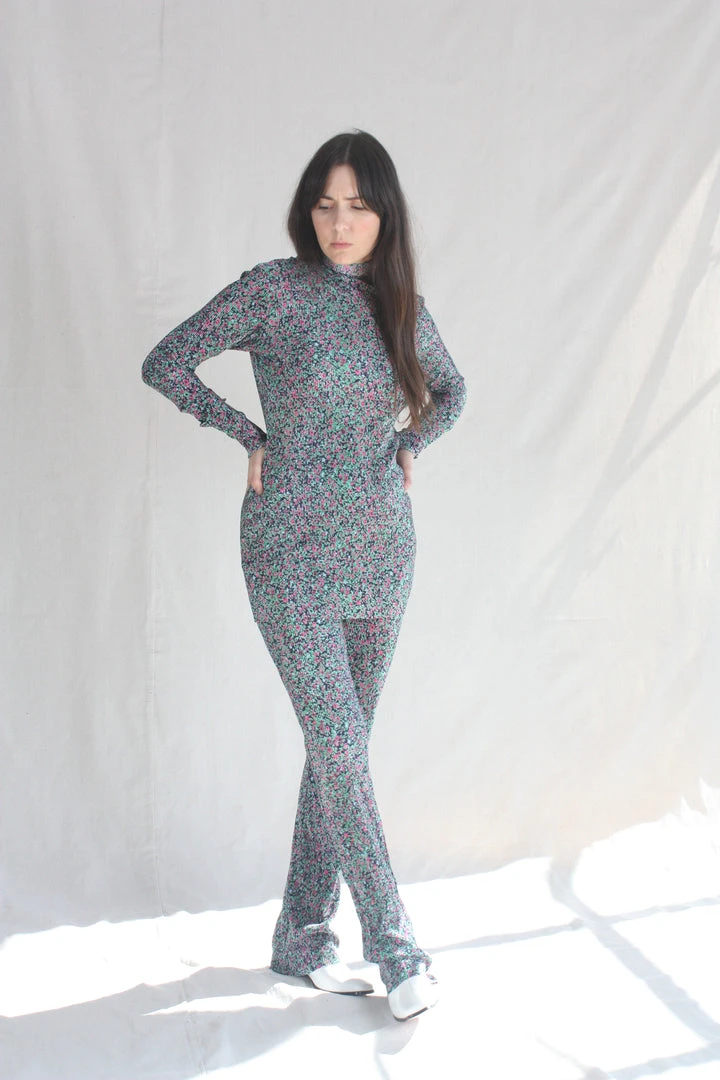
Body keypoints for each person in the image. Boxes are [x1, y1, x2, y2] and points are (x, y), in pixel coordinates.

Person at [141, 130, 467, 1022]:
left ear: (384, 214)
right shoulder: (274, 291)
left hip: (382, 549)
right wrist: (246, 434)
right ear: (306, 210)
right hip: (287, 546)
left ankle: (301, 937)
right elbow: (164, 360)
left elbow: (454, 390)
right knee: (341, 748)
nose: (339, 221)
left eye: (357, 205)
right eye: (325, 203)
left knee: (341, 749)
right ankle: (397, 947)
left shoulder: (401, 304)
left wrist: (410, 441)